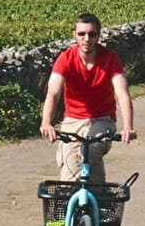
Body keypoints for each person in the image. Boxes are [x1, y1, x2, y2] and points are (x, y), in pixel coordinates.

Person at [39, 13, 136, 183]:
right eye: (81, 34)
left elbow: (122, 94)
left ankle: (96, 200)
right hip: (72, 122)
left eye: (92, 34)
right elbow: (53, 92)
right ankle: (82, 203)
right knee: (69, 172)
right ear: (74, 35)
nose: (86, 39)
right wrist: (46, 122)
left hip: (102, 121)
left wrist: (128, 127)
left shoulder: (110, 59)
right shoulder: (66, 59)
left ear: (98, 35)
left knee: (89, 152)